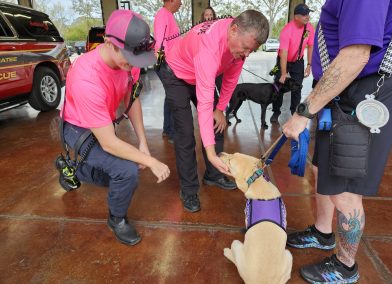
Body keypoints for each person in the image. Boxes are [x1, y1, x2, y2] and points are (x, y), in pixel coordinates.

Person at [282, 1, 392, 283]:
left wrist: (304, 112)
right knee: (323, 169)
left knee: (345, 190)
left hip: (366, 88)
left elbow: (356, 55)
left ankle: (346, 265)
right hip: (341, 89)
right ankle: (323, 233)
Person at [59, 10, 170, 246]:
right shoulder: (86, 76)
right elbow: (108, 142)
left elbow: (132, 98)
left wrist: (143, 143)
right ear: (109, 44)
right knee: (126, 171)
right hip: (79, 129)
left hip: (102, 123)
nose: (133, 65)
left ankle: (73, 168)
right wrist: (150, 161)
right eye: (129, 58)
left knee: (122, 170)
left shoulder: (128, 62)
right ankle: (116, 219)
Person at [158, 10, 269, 212]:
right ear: (233, 30)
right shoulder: (209, 48)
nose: (246, 55)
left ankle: (213, 174)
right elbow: (204, 102)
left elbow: (231, 79)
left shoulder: (238, 42)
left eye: (250, 51)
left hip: (198, 72)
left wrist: (220, 110)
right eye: (245, 48)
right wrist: (210, 152)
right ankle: (189, 190)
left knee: (218, 122)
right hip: (176, 75)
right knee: (185, 135)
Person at [270, 3, 315, 123]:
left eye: (308, 14)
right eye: (304, 15)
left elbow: (311, 46)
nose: (307, 17)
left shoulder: (309, 28)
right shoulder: (287, 31)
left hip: (298, 62)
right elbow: (283, 54)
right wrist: (284, 73)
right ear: (296, 17)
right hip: (283, 60)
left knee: (297, 87)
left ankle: (295, 112)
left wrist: (309, 64)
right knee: (278, 86)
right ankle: (276, 111)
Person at [154, 0, 182, 144]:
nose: (181, 3)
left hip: (171, 63)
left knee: (170, 96)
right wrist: (167, 63)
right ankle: (171, 133)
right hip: (166, 63)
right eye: (179, 0)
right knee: (174, 96)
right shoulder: (163, 14)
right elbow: (160, 42)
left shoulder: (168, 15)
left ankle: (167, 129)